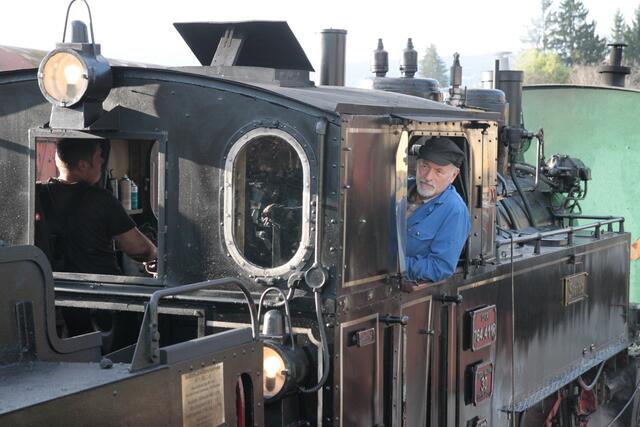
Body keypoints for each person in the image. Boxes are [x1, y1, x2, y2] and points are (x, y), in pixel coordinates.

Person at [36, 138, 157, 275]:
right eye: (99, 156)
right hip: (102, 288)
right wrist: (155, 254)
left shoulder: (38, 194)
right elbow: (139, 249)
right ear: (83, 165)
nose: (102, 161)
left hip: (53, 285)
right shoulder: (101, 199)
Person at [406, 137, 471, 282]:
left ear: (454, 175)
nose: (428, 177)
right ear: (416, 166)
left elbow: (439, 267)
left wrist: (391, 265)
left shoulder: (455, 211)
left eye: (439, 171)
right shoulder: (397, 188)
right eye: (424, 166)